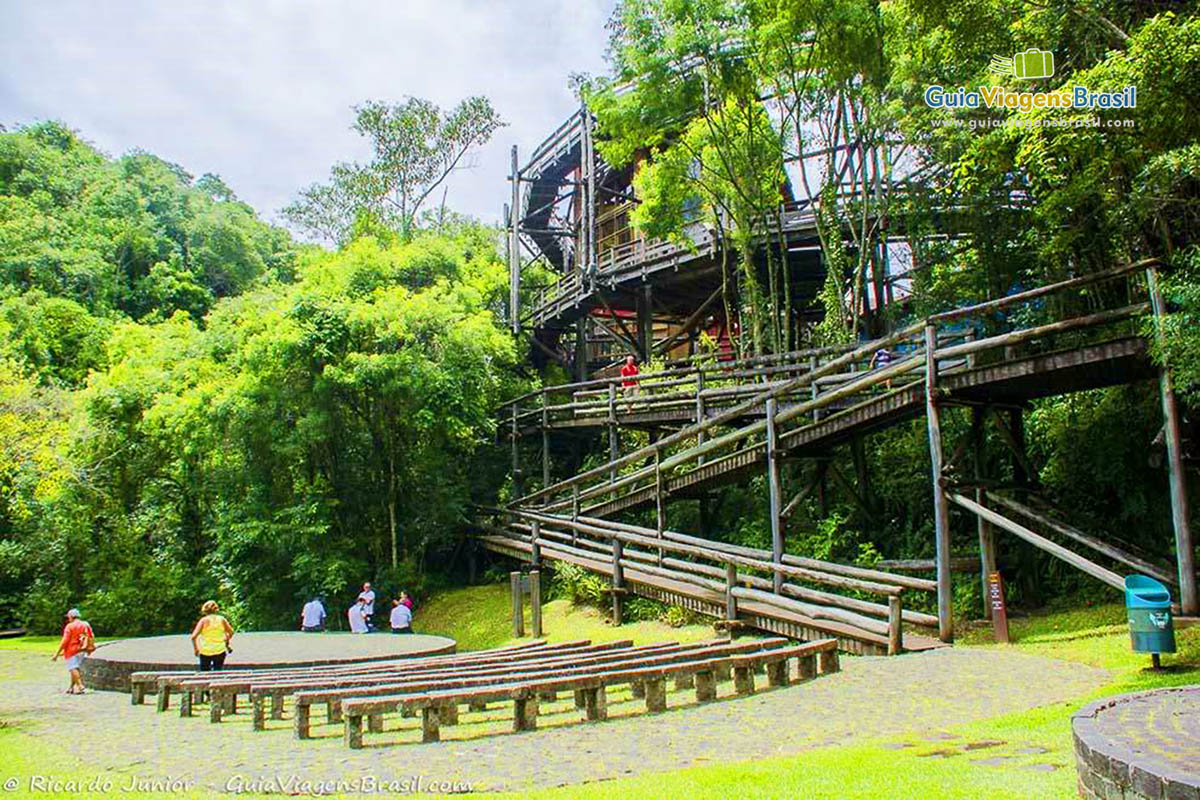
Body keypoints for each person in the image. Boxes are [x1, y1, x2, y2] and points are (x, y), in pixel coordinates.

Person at [51, 608, 94, 695]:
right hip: (82, 649)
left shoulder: (70, 626)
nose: (68, 619)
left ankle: (80, 686)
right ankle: (71, 687)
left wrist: (57, 653)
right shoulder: (85, 624)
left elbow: (65, 640)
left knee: (73, 668)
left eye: (68, 617)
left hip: (71, 650)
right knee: (75, 669)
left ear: (71, 616)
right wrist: (90, 647)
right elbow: (91, 636)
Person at [190, 601, 233, 672]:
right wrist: (226, 640)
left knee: (204, 673)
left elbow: (193, 637)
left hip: (205, 650)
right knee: (218, 672)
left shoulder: (203, 621)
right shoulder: (222, 619)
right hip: (220, 649)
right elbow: (231, 632)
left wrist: (196, 649)